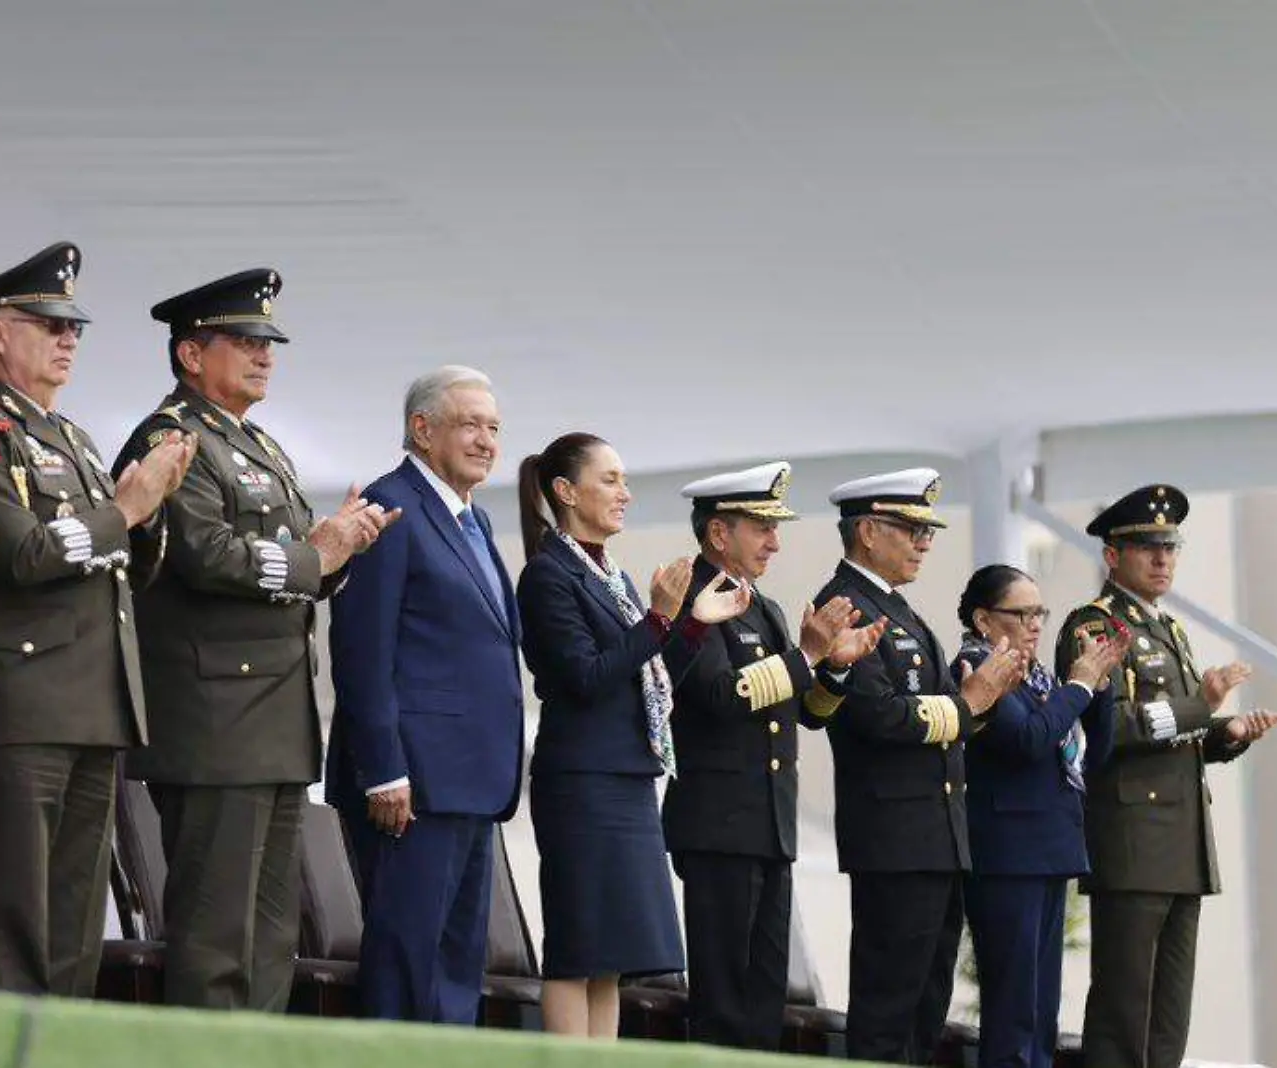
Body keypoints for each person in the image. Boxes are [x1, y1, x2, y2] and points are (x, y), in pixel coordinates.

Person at [115, 269, 391, 1011]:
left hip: (272, 718)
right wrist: (317, 556)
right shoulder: (171, 439)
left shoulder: (260, 444)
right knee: (215, 938)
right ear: (190, 355)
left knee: (272, 938)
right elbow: (202, 554)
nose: (263, 354)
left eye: (267, 342)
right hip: (214, 721)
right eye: (243, 341)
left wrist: (338, 550)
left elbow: (299, 563)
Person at [0, 242, 193, 995]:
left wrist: (144, 522)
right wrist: (125, 511)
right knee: (11, 916)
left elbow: (119, 566)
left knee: (78, 924)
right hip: (21, 706)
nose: (68, 337)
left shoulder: (72, 438)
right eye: (48, 323)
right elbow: (23, 555)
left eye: (72, 326)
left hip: (91, 706)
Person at [510, 433, 750, 1039]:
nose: (626, 493)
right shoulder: (548, 574)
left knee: (610, 961)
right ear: (565, 492)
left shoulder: (606, 572)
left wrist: (692, 627)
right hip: (584, 780)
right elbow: (588, 676)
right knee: (578, 947)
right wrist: (662, 617)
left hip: (627, 777)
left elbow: (650, 674)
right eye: (610, 479)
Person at [1055, 485, 1277, 1068]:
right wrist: (1199, 705)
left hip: (1181, 844)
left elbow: (1174, 735)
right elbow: (1100, 732)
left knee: (1168, 1020)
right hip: (1133, 843)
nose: (1163, 560)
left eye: (1171, 547)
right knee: (1123, 1013)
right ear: (1112, 556)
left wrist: (1225, 734)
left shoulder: (1169, 630)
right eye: (1147, 548)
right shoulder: (1095, 627)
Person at [664, 461, 884, 1050]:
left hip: (766, 825)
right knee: (724, 1002)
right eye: (761, 526)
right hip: (720, 824)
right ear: (718, 533)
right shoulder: (694, 595)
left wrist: (833, 666)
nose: (775, 541)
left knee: (764, 999)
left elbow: (806, 711)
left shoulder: (761, 606)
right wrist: (805, 656)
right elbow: (716, 696)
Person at [327, 367, 524, 1025]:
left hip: (470, 781)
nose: (486, 440)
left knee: (457, 969)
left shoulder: (475, 518)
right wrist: (383, 769)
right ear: (422, 428)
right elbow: (361, 650)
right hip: (412, 788)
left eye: (493, 427)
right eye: (470, 424)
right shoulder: (391, 507)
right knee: (408, 967)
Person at [812, 468, 1025, 1064]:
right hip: (894, 839)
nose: (924, 541)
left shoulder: (895, 607)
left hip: (934, 838)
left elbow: (944, 719)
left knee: (926, 1006)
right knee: (888, 1008)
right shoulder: (846, 604)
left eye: (926, 529)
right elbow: (875, 715)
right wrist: (968, 703)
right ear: (869, 532)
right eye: (911, 528)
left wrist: (980, 703)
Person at [953, 565, 1123, 1068]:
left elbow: (1096, 753)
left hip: (1047, 848)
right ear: (984, 620)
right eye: (1021, 612)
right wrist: (1079, 687)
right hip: (1008, 855)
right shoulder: (977, 666)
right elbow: (1026, 740)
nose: (1035, 623)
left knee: (1042, 1008)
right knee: (1013, 1010)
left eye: (1039, 612)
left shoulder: (1040, 674)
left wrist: (1100, 687)